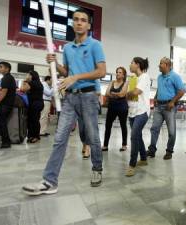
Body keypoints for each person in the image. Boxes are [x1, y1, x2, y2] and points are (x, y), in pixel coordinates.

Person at [22, 9, 106, 195]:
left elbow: (101, 71)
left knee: (91, 137)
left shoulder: (95, 45)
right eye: (76, 19)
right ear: (72, 23)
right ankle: (50, 181)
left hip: (89, 96)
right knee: (59, 138)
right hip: (70, 97)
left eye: (83, 20)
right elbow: (66, 72)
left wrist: (76, 78)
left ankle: (97, 168)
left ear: (88, 25)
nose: (79, 23)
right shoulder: (67, 48)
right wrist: (56, 63)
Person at [147, 57, 185, 160]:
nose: (159, 65)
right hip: (158, 107)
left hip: (169, 107)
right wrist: (155, 98)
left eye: (161, 63)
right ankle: (152, 150)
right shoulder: (159, 77)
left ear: (167, 65)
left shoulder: (175, 76)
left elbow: (182, 91)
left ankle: (169, 151)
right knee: (154, 128)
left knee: (171, 132)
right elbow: (159, 89)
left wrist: (172, 102)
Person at [125, 57, 150, 177]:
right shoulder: (133, 78)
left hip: (142, 112)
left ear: (138, 65)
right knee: (138, 136)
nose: (130, 65)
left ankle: (132, 165)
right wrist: (128, 94)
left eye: (131, 63)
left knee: (134, 136)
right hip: (132, 112)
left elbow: (136, 92)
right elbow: (130, 93)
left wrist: (127, 94)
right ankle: (144, 159)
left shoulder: (144, 77)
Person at [102, 67, 129, 152]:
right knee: (108, 126)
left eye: (120, 72)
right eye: (117, 72)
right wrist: (116, 94)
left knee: (123, 126)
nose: (117, 74)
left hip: (122, 107)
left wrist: (113, 94)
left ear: (123, 75)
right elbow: (106, 93)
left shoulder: (126, 82)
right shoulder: (112, 82)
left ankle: (124, 145)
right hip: (112, 106)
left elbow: (122, 94)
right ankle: (105, 145)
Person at [0, 61, 16, 151]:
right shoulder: (10, 78)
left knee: (1, 123)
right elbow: (5, 91)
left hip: (5, 105)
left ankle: (5, 141)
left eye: (1, 67)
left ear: (7, 69)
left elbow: (4, 93)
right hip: (8, 105)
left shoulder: (6, 78)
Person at [20, 70, 44, 143]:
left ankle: (35, 136)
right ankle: (31, 136)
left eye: (28, 75)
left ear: (32, 76)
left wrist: (24, 81)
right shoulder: (37, 83)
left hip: (36, 104)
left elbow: (22, 89)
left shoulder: (33, 83)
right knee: (32, 120)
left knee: (34, 120)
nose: (27, 76)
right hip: (34, 103)